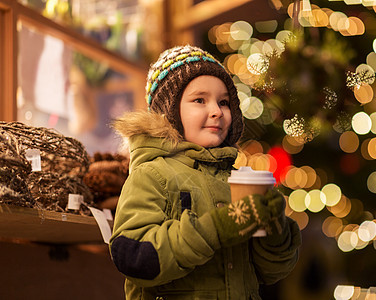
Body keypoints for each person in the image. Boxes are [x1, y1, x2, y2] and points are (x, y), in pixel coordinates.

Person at [109, 45, 301, 300]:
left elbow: (270, 272)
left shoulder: (235, 180)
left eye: (224, 102)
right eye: (200, 100)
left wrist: (275, 230)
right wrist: (216, 228)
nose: (217, 111)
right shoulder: (152, 174)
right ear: (169, 112)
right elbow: (134, 257)